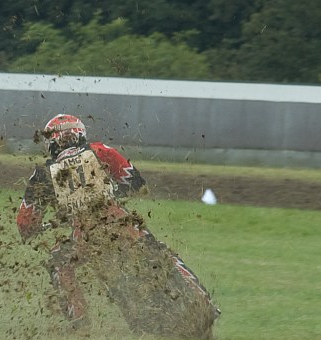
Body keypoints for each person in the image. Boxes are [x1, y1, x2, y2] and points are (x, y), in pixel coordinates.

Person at [16, 113, 218, 326]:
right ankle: (204, 301)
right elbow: (136, 183)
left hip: (85, 240)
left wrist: (48, 223)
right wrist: (110, 193)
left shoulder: (43, 174)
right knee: (163, 255)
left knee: (57, 262)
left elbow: (25, 224)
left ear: (52, 141)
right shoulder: (100, 151)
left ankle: (79, 323)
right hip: (122, 227)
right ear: (79, 133)